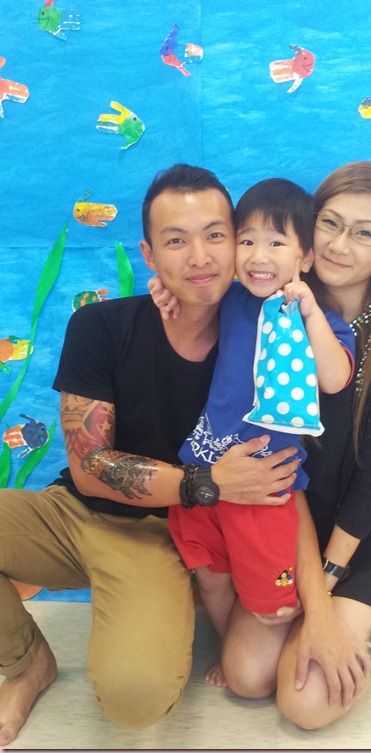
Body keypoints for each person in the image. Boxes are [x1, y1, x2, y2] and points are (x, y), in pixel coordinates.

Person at [0, 164, 302, 746]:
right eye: (176, 240)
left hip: (162, 539)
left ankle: (157, 612)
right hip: (71, 513)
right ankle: (26, 663)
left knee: (135, 699)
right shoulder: (100, 325)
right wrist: (207, 481)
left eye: (215, 235)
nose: (200, 257)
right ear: (149, 254)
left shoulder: (270, 341)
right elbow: (91, 467)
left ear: (238, 243)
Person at [218, 161, 371, 728]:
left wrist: (320, 601)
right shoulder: (270, 305)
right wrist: (167, 297)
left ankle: (335, 612)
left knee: (305, 702)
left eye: (364, 233)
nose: (340, 245)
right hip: (292, 527)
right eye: (330, 223)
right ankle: (311, 613)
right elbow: (207, 293)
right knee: (246, 676)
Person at [149, 177, 355, 688]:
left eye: (276, 243)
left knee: (270, 604)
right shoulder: (234, 300)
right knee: (211, 578)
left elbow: (334, 378)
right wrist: (164, 291)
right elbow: (193, 300)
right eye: (246, 240)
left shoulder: (325, 321)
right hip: (203, 471)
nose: (259, 256)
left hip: (265, 489)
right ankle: (227, 645)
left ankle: (286, 633)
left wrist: (310, 313)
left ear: (305, 257)